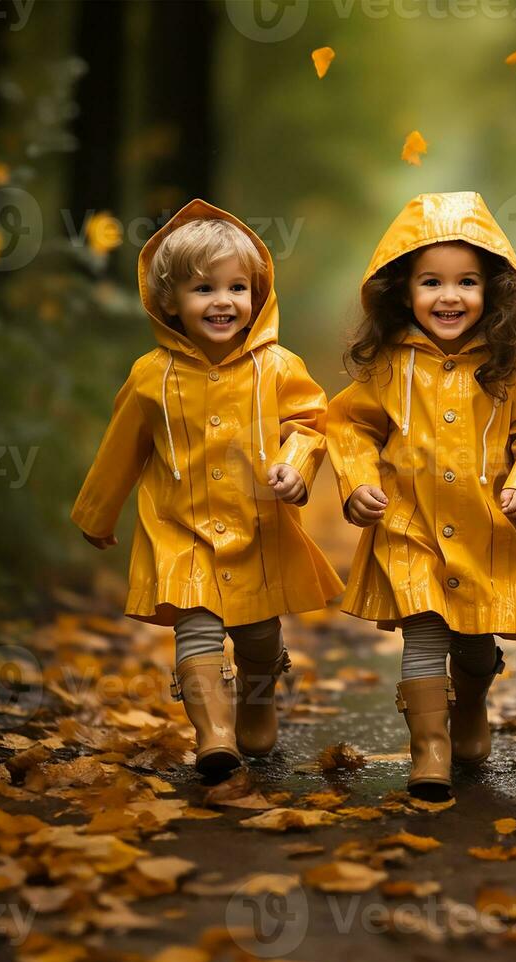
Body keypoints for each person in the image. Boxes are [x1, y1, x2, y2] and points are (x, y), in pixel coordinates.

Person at [72, 199, 343, 776]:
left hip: (258, 526)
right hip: (178, 525)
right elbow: (123, 447)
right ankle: (214, 733)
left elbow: (310, 424)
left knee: (257, 632)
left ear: (257, 296)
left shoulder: (279, 367)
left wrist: (295, 467)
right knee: (195, 624)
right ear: (169, 302)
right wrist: (98, 513)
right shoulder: (151, 374)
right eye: (203, 289)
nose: (223, 302)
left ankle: (258, 697)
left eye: (237, 288)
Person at [326, 191, 516, 799]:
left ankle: (470, 705)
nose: (449, 296)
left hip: (486, 530)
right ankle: (429, 749)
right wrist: (358, 481)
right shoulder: (387, 365)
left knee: (472, 644)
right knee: (424, 633)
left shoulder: (512, 366)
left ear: (495, 290)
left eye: (467, 281)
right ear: (402, 291)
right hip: (407, 524)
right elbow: (350, 426)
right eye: (431, 282)